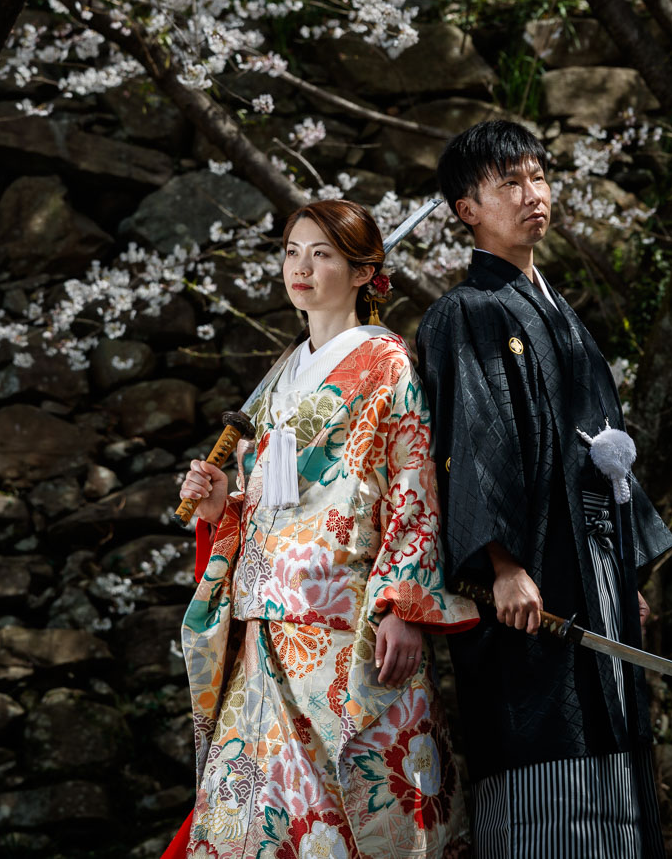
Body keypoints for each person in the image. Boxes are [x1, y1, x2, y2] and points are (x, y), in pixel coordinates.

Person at [175, 198, 478, 859]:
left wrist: (402, 601)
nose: (302, 268)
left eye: (323, 254)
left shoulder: (388, 363)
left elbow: (412, 481)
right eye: (292, 252)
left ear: (368, 272)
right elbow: (270, 498)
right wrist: (223, 501)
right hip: (268, 621)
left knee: (360, 813)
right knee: (256, 818)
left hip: (350, 625)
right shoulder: (286, 373)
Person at [414, 120, 672, 859]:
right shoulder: (466, 313)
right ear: (467, 209)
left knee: (615, 739)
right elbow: (470, 445)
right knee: (542, 742)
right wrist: (499, 563)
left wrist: (622, 568)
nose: (533, 197)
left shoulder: (561, 315)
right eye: (510, 185)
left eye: (538, 178)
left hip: (593, 561)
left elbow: (604, 455)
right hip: (527, 573)